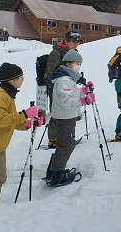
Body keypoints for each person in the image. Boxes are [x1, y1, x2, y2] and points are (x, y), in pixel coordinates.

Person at [0, 63, 42, 208]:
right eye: (20, 77)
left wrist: (29, 123)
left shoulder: (7, 94)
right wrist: (24, 114)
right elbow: (0, 121)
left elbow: (10, 121)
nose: (22, 80)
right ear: (11, 79)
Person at [45, 50, 83, 187]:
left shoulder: (68, 77)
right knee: (66, 146)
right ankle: (56, 174)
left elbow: (69, 93)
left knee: (66, 144)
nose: (79, 66)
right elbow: (66, 101)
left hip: (66, 115)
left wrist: (82, 92)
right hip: (65, 116)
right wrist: (83, 101)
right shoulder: (63, 80)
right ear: (68, 63)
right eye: (77, 63)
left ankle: (54, 170)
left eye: (80, 63)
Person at [44, 30, 82, 149]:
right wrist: (56, 87)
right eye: (73, 41)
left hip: (67, 87)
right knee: (56, 114)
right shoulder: (56, 53)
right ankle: (54, 140)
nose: (76, 44)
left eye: (77, 42)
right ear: (65, 41)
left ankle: (66, 138)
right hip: (57, 88)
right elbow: (48, 74)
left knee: (68, 113)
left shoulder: (71, 52)